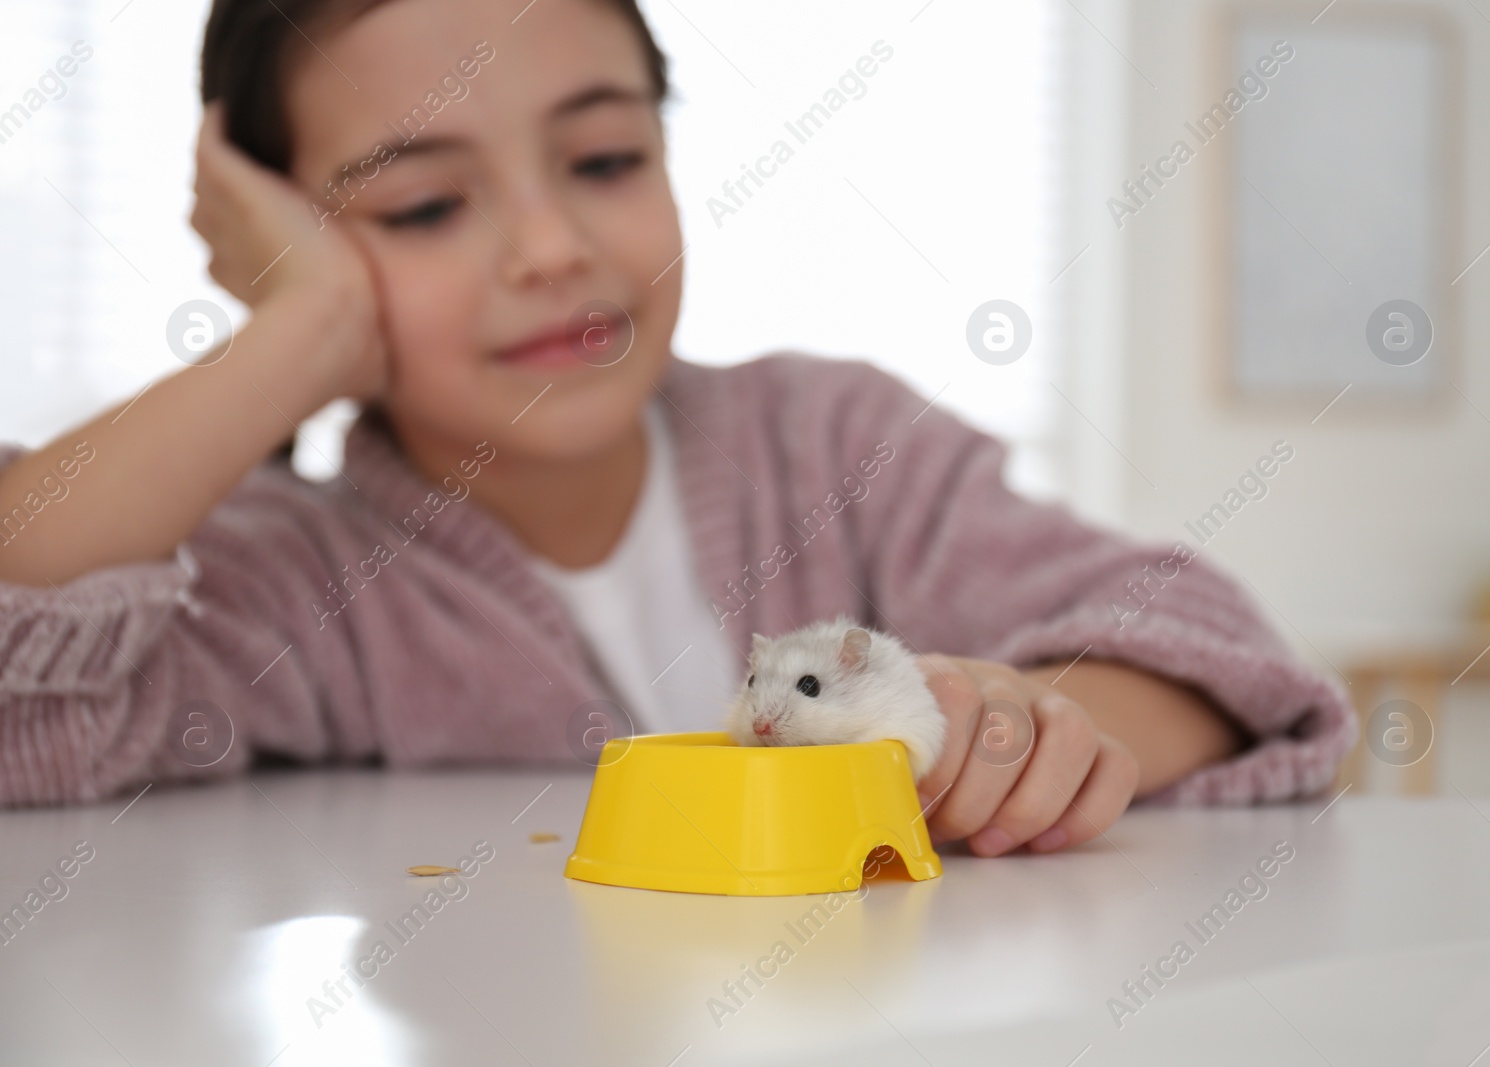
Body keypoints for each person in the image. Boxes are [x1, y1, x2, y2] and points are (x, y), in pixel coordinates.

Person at [0, 0, 1353, 855]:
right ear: (288, 252)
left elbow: (1204, 644)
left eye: (602, 161)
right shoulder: (302, 576)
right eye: (421, 208)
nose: (550, 245)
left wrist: (1036, 729)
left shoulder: (834, 441)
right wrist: (285, 344)